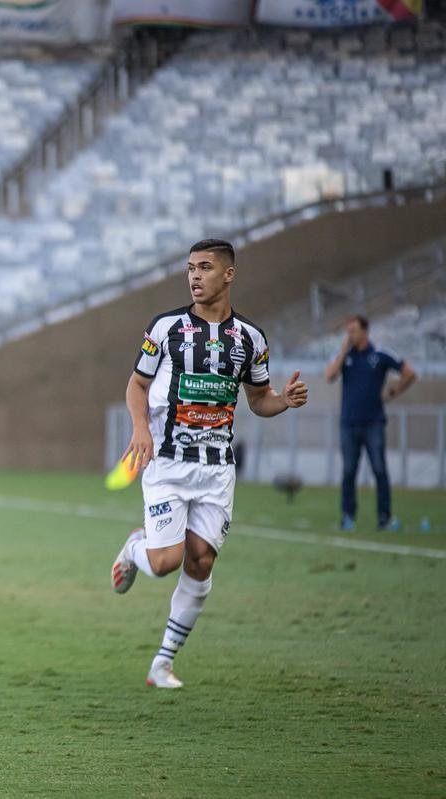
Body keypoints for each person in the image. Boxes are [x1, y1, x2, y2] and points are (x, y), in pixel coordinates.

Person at [109, 239, 308, 689]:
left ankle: (162, 663)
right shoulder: (166, 328)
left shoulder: (250, 339)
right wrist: (140, 429)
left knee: (199, 562)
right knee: (164, 563)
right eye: (190, 269)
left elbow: (258, 400)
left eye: (205, 268)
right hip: (167, 462)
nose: (195, 276)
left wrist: (284, 401)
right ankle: (133, 549)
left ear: (229, 274)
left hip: (217, 469)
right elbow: (136, 386)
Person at [323, 314, 416, 531]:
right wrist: (344, 351)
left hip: (374, 423)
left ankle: (384, 518)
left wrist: (393, 391)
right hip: (348, 423)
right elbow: (329, 376)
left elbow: (409, 373)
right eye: (348, 331)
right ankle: (348, 517)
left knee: (379, 469)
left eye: (353, 330)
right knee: (348, 472)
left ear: (365, 331)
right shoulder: (344, 356)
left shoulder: (380, 354)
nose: (350, 335)